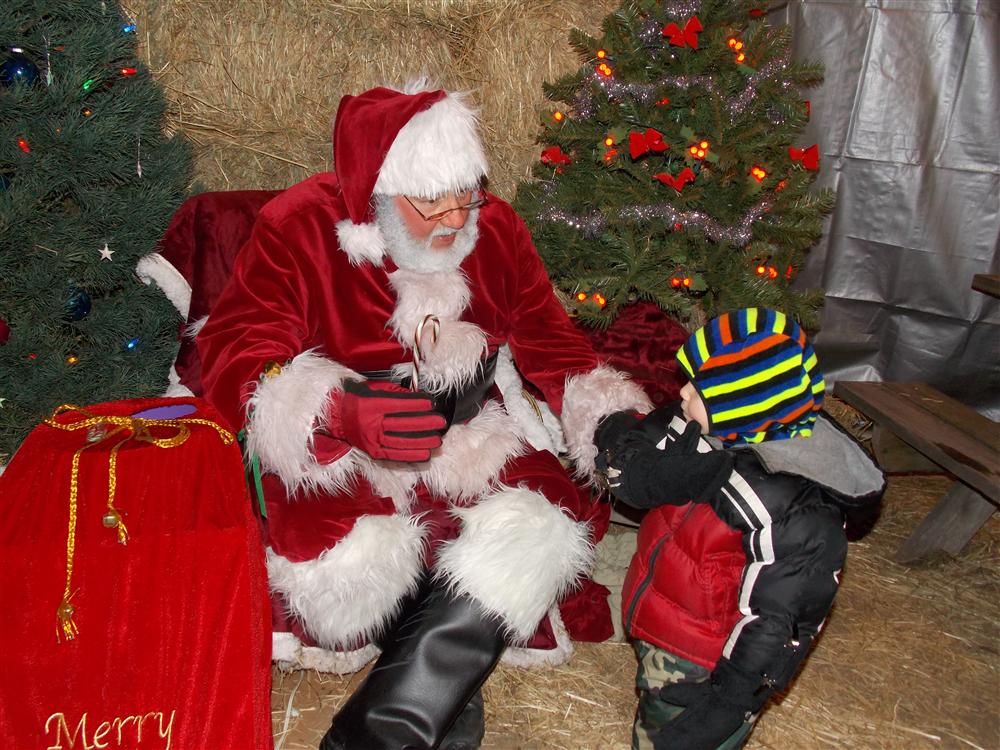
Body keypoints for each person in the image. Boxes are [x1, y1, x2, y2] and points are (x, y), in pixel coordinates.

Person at [196, 82, 651, 749]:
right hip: (339, 445)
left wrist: (607, 420)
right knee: (356, 554)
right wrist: (334, 409)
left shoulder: (495, 230)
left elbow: (553, 344)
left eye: (464, 196)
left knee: (538, 524)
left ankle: (381, 732)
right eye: (429, 201)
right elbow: (236, 349)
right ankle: (438, 689)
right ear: (375, 194)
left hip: (466, 431)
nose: (452, 220)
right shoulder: (299, 227)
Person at [595, 308, 884, 750]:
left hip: (708, 660)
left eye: (700, 387)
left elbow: (778, 621)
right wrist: (624, 443)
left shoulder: (793, 511)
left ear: (740, 403)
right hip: (669, 619)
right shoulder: (708, 426)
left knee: (676, 736)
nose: (683, 390)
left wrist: (729, 700)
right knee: (656, 706)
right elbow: (641, 442)